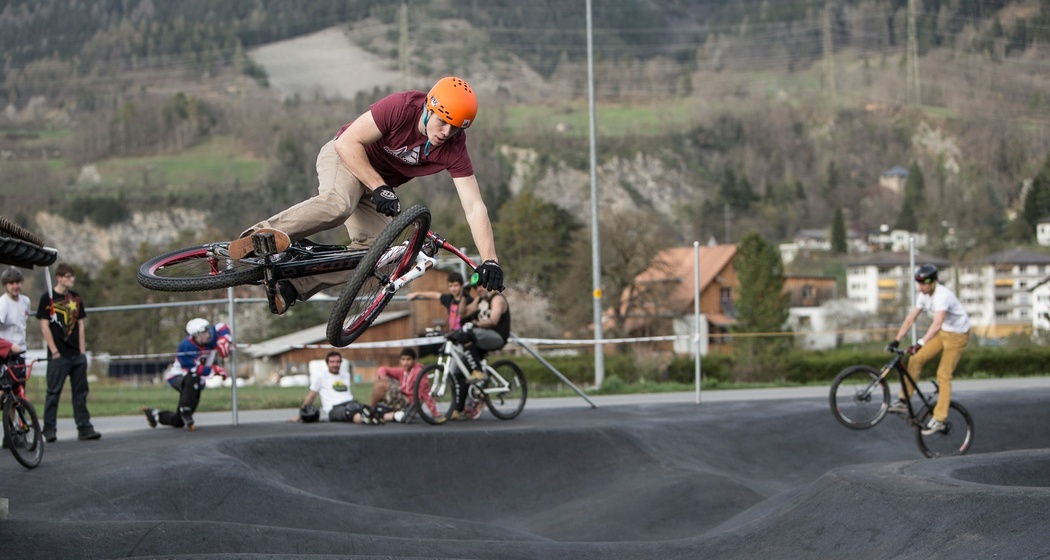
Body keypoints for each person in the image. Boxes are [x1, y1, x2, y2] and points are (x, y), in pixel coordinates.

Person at [226, 76, 503, 315]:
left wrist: (490, 259)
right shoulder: (401, 107)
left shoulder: (453, 147)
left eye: (456, 128)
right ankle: (259, 236)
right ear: (429, 108)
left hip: (376, 188)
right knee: (338, 205)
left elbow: (474, 205)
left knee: (382, 254)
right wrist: (379, 186)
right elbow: (348, 142)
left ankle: (293, 286)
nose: (447, 133)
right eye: (444, 123)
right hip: (345, 158)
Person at [886, 264, 971, 435]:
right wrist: (897, 339)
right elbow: (911, 318)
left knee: (943, 375)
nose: (921, 287)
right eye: (918, 283)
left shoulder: (942, 296)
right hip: (943, 332)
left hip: (958, 335)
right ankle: (904, 399)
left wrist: (920, 343)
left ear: (933, 282)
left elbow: (937, 322)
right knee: (915, 358)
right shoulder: (923, 296)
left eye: (924, 283)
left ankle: (940, 418)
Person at [36, 263, 99, 442]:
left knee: (80, 392)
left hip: (76, 355)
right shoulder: (47, 299)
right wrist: (54, 351)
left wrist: (82, 350)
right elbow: (44, 325)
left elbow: (80, 324)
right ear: (59, 277)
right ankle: (49, 429)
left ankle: (84, 428)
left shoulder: (76, 298)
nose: (72, 279)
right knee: (53, 393)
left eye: (73, 276)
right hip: (58, 356)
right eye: (69, 276)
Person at [142, 318, 232, 431]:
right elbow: (193, 368)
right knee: (192, 378)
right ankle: (185, 410)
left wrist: (224, 340)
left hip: (196, 381)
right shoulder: (186, 346)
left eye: (208, 331)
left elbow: (222, 327)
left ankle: (155, 414)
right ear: (196, 335)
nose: (208, 334)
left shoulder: (210, 339)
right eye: (204, 333)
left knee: (178, 421)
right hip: (179, 377)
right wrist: (215, 370)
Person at [447, 278, 511, 420]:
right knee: (461, 372)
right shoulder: (480, 300)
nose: (479, 290)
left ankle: (478, 372)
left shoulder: (497, 299)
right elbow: (463, 314)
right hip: (480, 339)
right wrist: (464, 295)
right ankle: (459, 410)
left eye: (482, 287)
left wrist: (475, 324)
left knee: (467, 332)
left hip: (497, 336)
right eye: (477, 288)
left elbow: (493, 320)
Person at [291, 351, 379, 424]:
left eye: (337, 362)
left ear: (341, 363)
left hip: (351, 403)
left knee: (376, 407)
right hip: (334, 408)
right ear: (327, 363)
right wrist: (301, 415)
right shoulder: (321, 377)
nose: (335, 365)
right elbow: (311, 396)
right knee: (350, 411)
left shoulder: (346, 375)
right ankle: (366, 419)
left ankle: (387, 416)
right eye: (332, 362)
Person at [369, 347, 425, 423]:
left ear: (414, 360)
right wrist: (382, 375)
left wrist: (435, 413)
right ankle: (375, 411)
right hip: (400, 397)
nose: (405, 362)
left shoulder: (419, 372)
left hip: (409, 403)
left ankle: (370, 409)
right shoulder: (402, 371)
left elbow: (424, 392)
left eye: (408, 359)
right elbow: (383, 369)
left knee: (382, 385)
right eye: (403, 359)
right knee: (380, 380)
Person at [407, 271, 471, 331]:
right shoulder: (449, 298)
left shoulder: (469, 300)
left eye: (455, 285)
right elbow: (435, 295)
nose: (453, 289)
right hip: (453, 334)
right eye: (450, 286)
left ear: (461, 285)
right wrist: (417, 293)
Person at [0, 267, 31, 349]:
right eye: (11, 283)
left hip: (22, 348)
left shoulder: (26, 300)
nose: (15, 286)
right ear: (5, 285)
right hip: (7, 351)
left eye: (18, 282)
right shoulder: (2, 303)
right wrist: (9, 347)